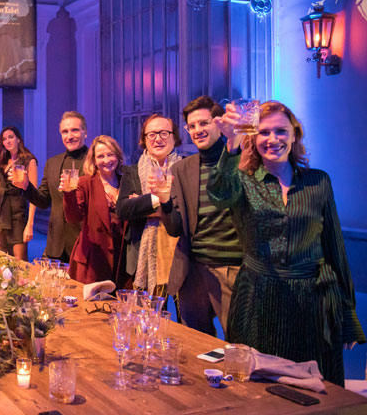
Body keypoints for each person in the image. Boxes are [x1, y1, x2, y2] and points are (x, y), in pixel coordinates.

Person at [209, 101, 364, 385]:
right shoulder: (243, 180)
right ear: (253, 139)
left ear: (294, 135)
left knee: (318, 388)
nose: (273, 139)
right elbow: (219, 194)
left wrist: (348, 315)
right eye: (264, 132)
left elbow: (334, 248)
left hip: (313, 302)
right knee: (256, 386)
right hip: (257, 299)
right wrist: (230, 147)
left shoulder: (318, 182)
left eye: (281, 131)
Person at [158, 96, 243, 336]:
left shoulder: (242, 161)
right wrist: (163, 201)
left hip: (233, 269)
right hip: (194, 270)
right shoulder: (182, 169)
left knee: (239, 345)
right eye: (192, 126)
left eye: (204, 123)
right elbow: (176, 229)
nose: (198, 130)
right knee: (195, 343)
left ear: (219, 123)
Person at [116, 113, 182, 296]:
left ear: (174, 137)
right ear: (144, 140)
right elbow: (122, 210)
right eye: (151, 134)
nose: (157, 139)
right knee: (148, 318)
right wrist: (158, 199)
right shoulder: (132, 171)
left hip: (181, 254)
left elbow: (187, 209)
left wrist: (142, 203)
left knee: (185, 320)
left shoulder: (185, 168)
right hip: (142, 251)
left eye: (164, 133)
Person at [13, 111, 89, 262]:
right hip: (56, 244)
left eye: (75, 130)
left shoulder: (94, 161)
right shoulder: (52, 163)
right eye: (65, 132)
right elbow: (43, 201)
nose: (69, 136)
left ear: (85, 133)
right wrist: (26, 187)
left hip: (85, 244)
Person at [62, 135, 126, 286]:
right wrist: (68, 193)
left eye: (110, 154)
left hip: (121, 260)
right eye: (100, 156)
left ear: (118, 156)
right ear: (94, 161)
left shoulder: (127, 181)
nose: (106, 160)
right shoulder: (86, 182)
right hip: (92, 261)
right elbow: (73, 218)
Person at [0, 126, 37, 260]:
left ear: (18, 139)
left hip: (17, 214)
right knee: (0, 259)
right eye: (4, 139)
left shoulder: (29, 160)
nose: (8, 141)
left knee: (20, 262)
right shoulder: (2, 161)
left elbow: (34, 195)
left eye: (11, 137)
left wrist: (30, 224)